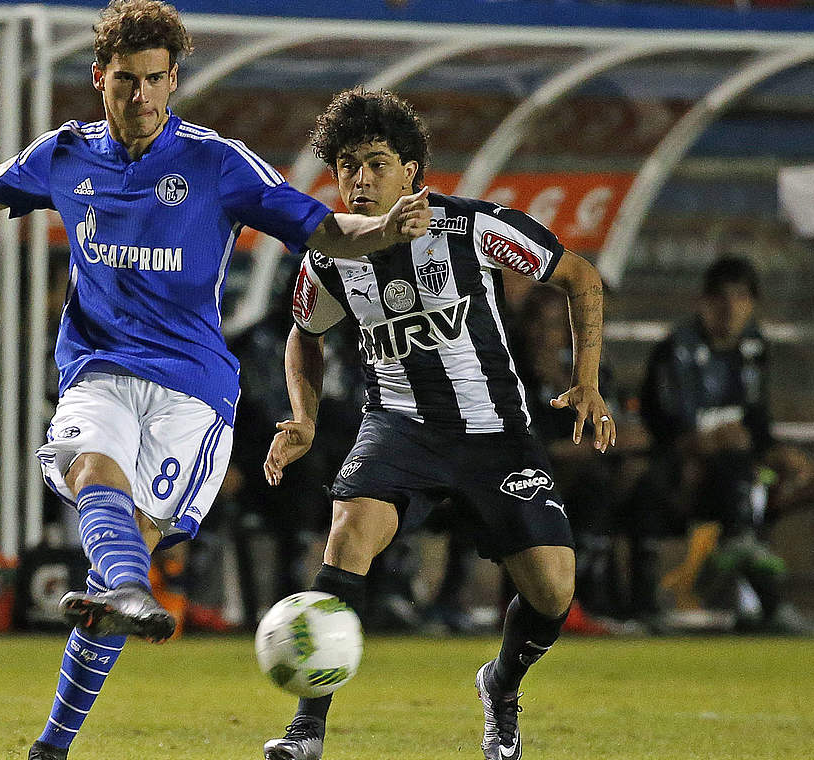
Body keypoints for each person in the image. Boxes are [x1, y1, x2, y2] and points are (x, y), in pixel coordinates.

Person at [0, 3, 431, 758]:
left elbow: (325, 229)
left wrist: (386, 230)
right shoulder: (67, 154)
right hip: (100, 369)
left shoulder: (217, 163)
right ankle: (112, 626)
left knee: (123, 560)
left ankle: (60, 726)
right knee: (92, 473)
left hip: (193, 392)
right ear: (98, 78)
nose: (140, 96)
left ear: (173, 81)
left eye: (154, 81)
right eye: (125, 81)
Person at [262, 88, 614, 760]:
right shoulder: (330, 254)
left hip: (494, 434)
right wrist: (303, 417)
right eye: (344, 166)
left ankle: (501, 685)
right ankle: (307, 730)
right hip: (399, 428)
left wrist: (587, 380)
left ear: (412, 172)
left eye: (374, 163)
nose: (358, 179)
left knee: (554, 592)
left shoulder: (473, 229)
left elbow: (579, 276)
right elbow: (303, 335)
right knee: (349, 533)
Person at [640, 256, 814, 633]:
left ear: (753, 304)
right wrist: (712, 439)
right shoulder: (678, 349)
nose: (730, 309)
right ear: (703, 301)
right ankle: (755, 609)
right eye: (721, 298)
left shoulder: (753, 348)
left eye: (741, 298)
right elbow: (666, 428)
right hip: (690, 473)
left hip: (742, 464)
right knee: (750, 480)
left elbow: (757, 424)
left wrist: (782, 454)